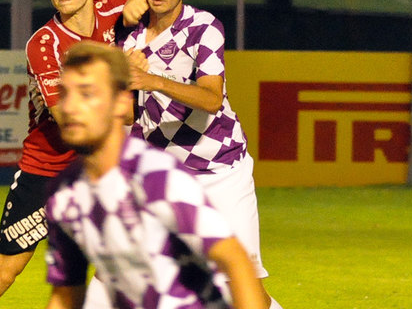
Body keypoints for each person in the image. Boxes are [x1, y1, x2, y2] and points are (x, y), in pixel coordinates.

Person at [0, 0, 132, 309]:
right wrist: (123, 87)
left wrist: (144, 0)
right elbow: (67, 120)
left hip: (97, 172)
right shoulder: (44, 44)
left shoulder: (112, 5)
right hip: (46, 174)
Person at [120, 0, 283, 309]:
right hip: (167, 180)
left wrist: (152, 79)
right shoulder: (127, 40)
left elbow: (211, 98)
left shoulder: (203, 28)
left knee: (244, 290)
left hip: (220, 170)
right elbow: (130, 114)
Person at [44, 40, 267, 309]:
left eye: (87, 94)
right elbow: (66, 295)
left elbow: (235, 262)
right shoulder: (65, 193)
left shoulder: (156, 178)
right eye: (64, 93)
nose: (69, 107)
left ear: (121, 103)